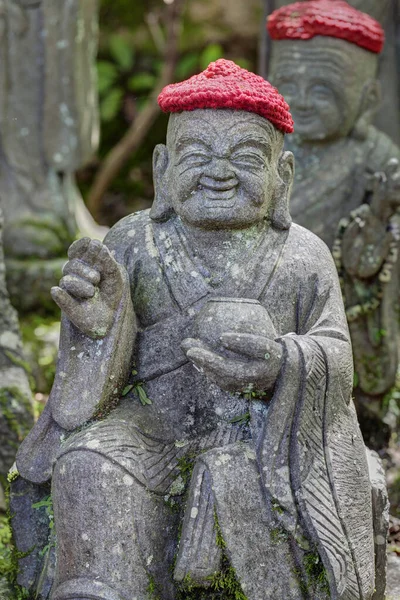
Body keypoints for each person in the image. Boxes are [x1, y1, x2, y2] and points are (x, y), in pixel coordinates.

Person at [17, 59, 375, 600]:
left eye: (247, 156)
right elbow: (101, 380)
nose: (220, 172)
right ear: (161, 171)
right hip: (153, 422)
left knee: (264, 485)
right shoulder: (135, 242)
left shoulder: (304, 257)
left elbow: (336, 357)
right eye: (196, 154)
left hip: (264, 432)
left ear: (284, 176)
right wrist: (98, 331)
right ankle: (97, 586)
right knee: (89, 459)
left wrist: (281, 363)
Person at [267, 0, 400, 445]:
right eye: (288, 85)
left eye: (323, 89)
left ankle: (363, 420)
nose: (301, 100)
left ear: (368, 99)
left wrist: (381, 215)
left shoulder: (374, 156)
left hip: (341, 295)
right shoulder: (263, 148)